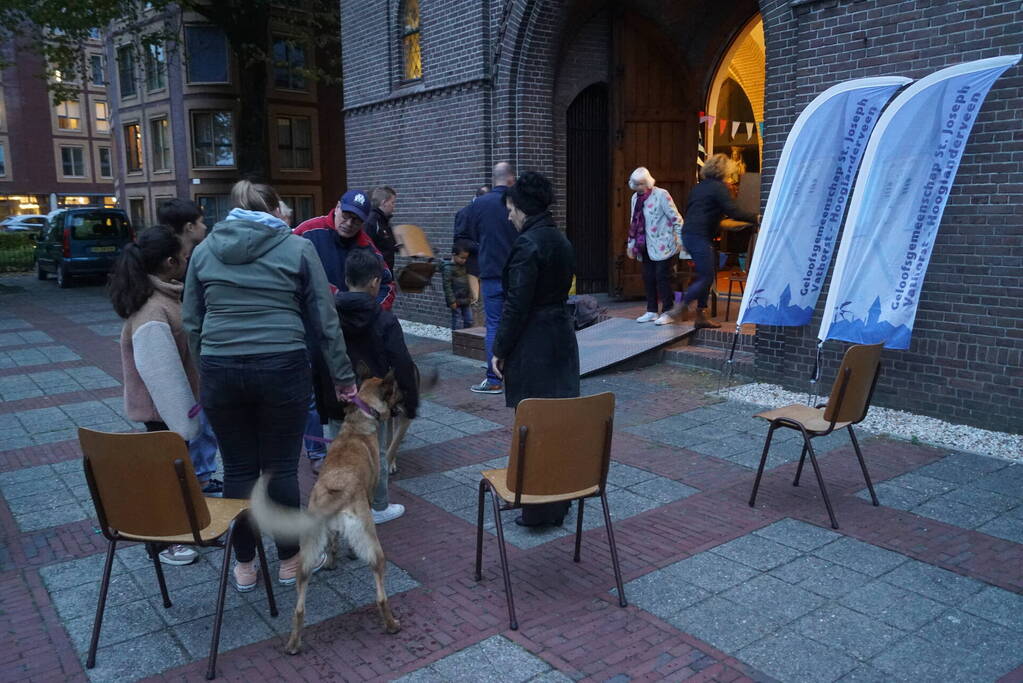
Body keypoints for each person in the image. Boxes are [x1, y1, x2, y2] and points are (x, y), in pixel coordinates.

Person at [183, 180, 356, 592]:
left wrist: (205, 370)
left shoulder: (204, 251)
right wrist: (343, 377)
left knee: (238, 469)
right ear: (274, 209)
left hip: (221, 368)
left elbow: (192, 320)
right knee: (280, 467)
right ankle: (289, 559)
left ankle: (245, 564)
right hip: (283, 364)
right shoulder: (296, 248)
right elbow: (324, 317)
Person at [109, 224, 219, 566]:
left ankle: (182, 530)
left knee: (175, 473)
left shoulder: (165, 298)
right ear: (170, 262)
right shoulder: (153, 310)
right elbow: (162, 374)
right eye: (185, 257)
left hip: (172, 413)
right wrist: (188, 423)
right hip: (165, 414)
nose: (189, 260)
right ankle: (163, 542)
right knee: (166, 477)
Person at [490, 171, 579, 527]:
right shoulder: (560, 239)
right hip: (560, 337)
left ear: (522, 208)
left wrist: (499, 349)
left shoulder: (529, 244)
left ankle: (540, 509)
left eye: (511, 209)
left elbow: (516, 304)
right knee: (557, 423)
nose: (509, 216)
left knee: (535, 425)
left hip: (535, 343)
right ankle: (559, 499)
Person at [322, 248, 418, 524]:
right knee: (375, 458)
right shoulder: (384, 319)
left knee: (337, 457)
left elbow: (319, 357)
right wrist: (409, 402)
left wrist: (324, 399)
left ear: (345, 279)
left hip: (337, 400)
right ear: (375, 282)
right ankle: (378, 506)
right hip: (374, 403)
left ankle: (338, 507)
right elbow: (401, 362)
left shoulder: (329, 315)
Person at [670, 153, 758, 329]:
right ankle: (682, 306)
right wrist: (756, 217)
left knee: (707, 275)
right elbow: (733, 211)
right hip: (699, 236)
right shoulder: (719, 188)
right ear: (725, 170)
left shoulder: (699, 187)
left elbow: (702, 211)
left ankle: (701, 315)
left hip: (690, 234)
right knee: (707, 276)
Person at [293, 190, 396, 311]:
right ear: (337, 207)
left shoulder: (367, 246)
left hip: (350, 321)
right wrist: (332, 295)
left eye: (357, 220)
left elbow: (387, 284)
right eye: (346, 215)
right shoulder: (307, 232)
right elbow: (288, 268)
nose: (349, 223)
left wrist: (373, 312)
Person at [467, 163, 517, 394]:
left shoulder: (479, 204)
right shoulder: (517, 201)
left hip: (490, 273)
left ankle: (494, 379)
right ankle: (518, 374)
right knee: (519, 321)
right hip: (516, 272)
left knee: (494, 325)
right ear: (511, 179)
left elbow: (470, 234)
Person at [626, 167, 685, 326]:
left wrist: (681, 240)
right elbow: (634, 221)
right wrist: (631, 243)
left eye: (641, 183)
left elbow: (676, 219)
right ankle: (651, 310)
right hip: (645, 244)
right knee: (648, 277)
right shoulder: (635, 198)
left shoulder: (661, 195)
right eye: (636, 184)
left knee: (662, 277)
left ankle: (668, 311)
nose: (639, 187)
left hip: (664, 244)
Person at [452, 184, 491, 278]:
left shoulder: (487, 211)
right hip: (472, 262)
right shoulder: (465, 213)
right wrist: (481, 247)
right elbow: (460, 239)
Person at [364, 187, 398, 272]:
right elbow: (365, 250)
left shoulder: (385, 221)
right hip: (376, 274)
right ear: (384, 203)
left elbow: (388, 245)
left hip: (387, 271)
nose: (394, 206)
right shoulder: (371, 222)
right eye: (392, 203)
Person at [442, 240, 474, 330]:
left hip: (465, 299)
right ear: (454, 254)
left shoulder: (464, 266)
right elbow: (447, 286)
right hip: (455, 300)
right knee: (457, 321)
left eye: (466, 258)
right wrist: (451, 301)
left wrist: (471, 294)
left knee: (469, 320)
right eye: (462, 258)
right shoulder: (447, 268)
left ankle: (466, 337)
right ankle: (457, 339)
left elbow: (467, 281)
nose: (464, 260)